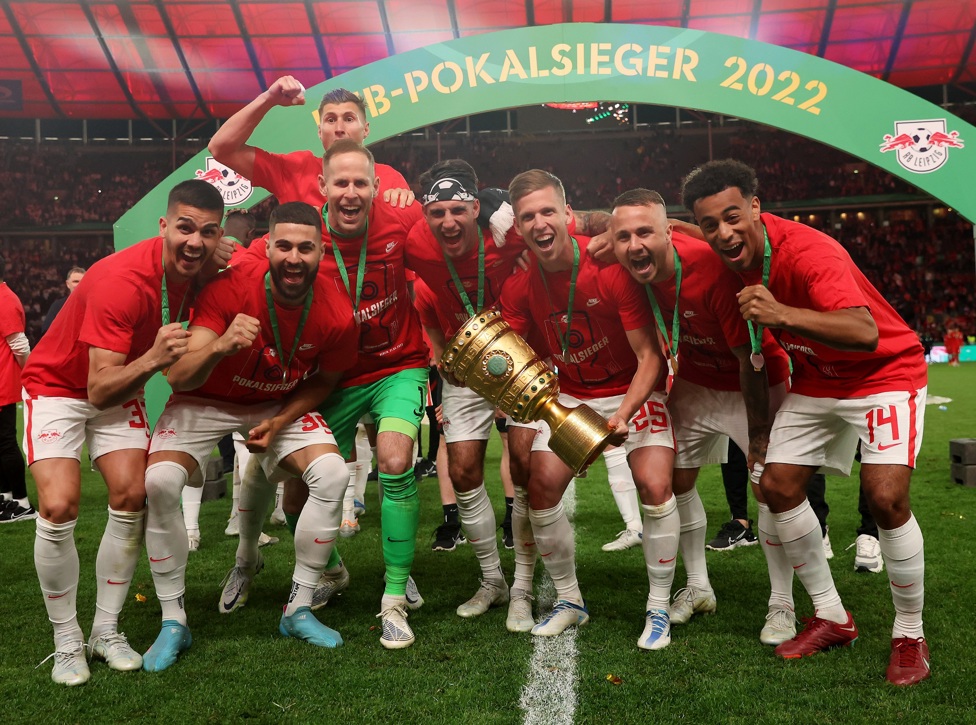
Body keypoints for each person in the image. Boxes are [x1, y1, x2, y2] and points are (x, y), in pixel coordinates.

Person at [682, 159, 930, 686]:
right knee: (775, 487)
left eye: (732, 216)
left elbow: (864, 333)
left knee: (885, 498)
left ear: (755, 205)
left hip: (884, 371)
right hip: (819, 379)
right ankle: (832, 616)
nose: (723, 233)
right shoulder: (721, 256)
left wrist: (782, 315)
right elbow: (667, 230)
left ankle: (910, 634)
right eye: (710, 224)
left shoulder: (811, 251)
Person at [209, 78, 414, 602]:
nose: (340, 127)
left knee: (393, 460)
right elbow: (222, 149)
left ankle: (400, 562)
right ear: (318, 129)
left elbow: (430, 231)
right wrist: (268, 100)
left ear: (367, 130)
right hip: (319, 360)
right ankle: (266, 558)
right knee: (281, 475)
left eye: (349, 120)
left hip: (387, 357)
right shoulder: (296, 168)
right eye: (331, 120)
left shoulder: (388, 180)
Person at [21, 179, 229, 686]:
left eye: (206, 232)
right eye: (184, 228)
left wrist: (238, 249)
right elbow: (96, 388)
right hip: (63, 387)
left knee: (133, 495)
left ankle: (105, 630)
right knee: (58, 506)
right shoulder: (120, 280)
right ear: (163, 226)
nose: (194, 242)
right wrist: (157, 357)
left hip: (121, 381)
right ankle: (66, 638)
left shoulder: (203, 264)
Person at [141, 201, 357, 671]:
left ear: (323, 251)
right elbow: (179, 376)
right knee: (158, 484)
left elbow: (325, 381)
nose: (293, 258)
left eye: (305, 248)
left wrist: (280, 422)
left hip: (276, 403)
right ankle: (173, 621)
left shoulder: (337, 310)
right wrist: (221, 345)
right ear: (268, 245)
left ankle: (297, 609)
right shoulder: (232, 285)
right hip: (207, 399)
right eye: (283, 246)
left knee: (332, 473)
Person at [230, 141, 428, 649]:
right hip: (331, 380)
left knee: (394, 456)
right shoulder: (302, 236)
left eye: (361, 183)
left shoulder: (401, 222)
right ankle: (333, 571)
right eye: (340, 183)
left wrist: (498, 212)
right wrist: (215, 249)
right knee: (296, 491)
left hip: (398, 366)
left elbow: (458, 236)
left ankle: (394, 595)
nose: (350, 193)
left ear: (377, 187)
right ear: (322, 188)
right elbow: (249, 262)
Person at [608, 188, 801, 645]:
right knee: (676, 480)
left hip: (751, 378)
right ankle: (697, 586)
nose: (634, 245)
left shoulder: (712, 272)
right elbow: (574, 226)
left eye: (644, 233)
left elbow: (747, 358)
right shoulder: (630, 261)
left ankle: (782, 604)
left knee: (767, 487)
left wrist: (757, 436)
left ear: (668, 232)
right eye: (623, 237)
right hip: (695, 378)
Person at [501, 170, 675, 649]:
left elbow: (649, 358)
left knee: (656, 484)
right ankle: (570, 600)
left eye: (547, 212)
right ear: (517, 228)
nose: (539, 223)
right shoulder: (520, 287)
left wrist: (623, 414)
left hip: (631, 390)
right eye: (528, 216)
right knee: (540, 487)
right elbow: (509, 353)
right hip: (573, 397)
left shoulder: (610, 270)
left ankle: (658, 607)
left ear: (568, 215)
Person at [0, 256, 34, 523]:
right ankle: (7, 497)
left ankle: (22, 504)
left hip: (3, 384)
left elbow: (19, 345)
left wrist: (29, 374)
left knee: (6, 443)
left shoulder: (6, 299)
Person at [40, 266, 84, 338]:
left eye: (82, 281)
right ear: (67, 284)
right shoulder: (58, 306)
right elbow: (46, 331)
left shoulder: (93, 306)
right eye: (75, 281)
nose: (79, 284)